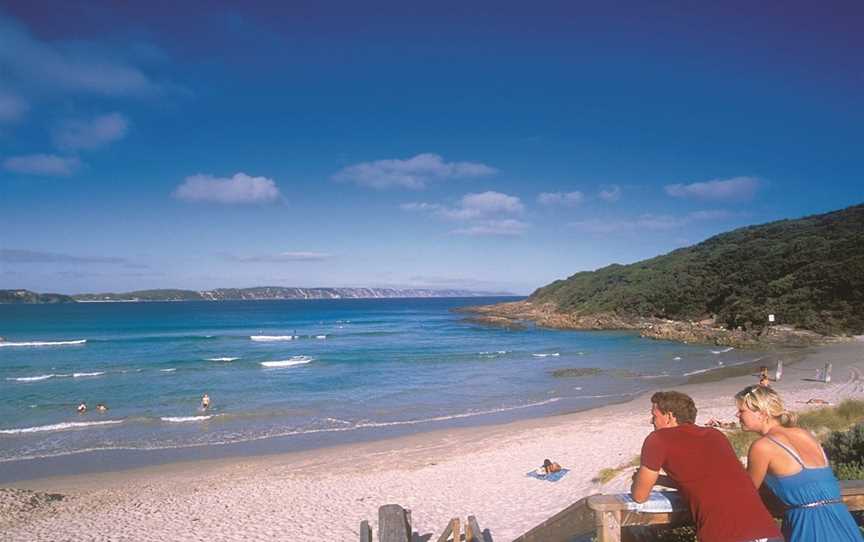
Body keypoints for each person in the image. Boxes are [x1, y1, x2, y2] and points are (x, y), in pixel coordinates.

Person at [631, 391, 781, 542]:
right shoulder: (715, 435)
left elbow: (639, 496)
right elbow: (707, 480)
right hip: (768, 531)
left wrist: (639, 479)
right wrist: (661, 481)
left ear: (670, 416)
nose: (652, 421)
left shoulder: (658, 439)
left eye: (655, 415)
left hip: (724, 535)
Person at [735, 385, 863, 542]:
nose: (737, 415)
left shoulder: (763, 447)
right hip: (841, 518)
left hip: (808, 524)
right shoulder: (804, 435)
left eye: (742, 411)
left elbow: (746, 492)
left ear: (762, 414)